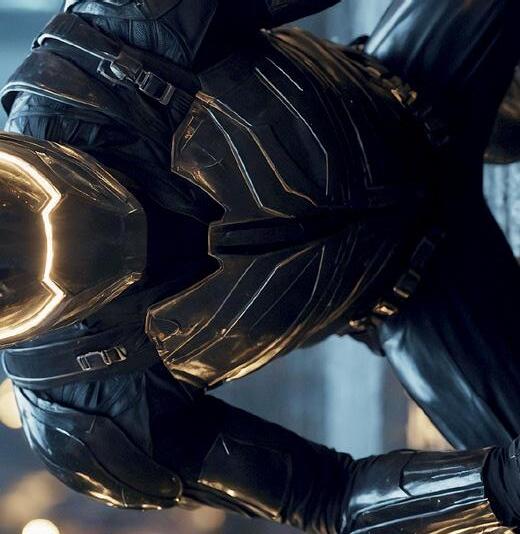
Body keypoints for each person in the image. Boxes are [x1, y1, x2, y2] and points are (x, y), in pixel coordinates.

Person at [0, 0, 519, 531]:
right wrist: (501, 483)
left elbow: (328, 498)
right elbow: (326, 497)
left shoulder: (102, 45)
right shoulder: (84, 416)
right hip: (422, 303)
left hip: (415, 88)